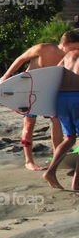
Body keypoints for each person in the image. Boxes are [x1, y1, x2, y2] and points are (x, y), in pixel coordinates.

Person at [0, 31, 79, 170]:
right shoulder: (44, 48)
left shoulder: (68, 58)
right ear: (65, 43)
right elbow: (21, 58)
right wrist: (6, 76)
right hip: (31, 90)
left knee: (56, 121)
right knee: (29, 123)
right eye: (74, 47)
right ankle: (29, 161)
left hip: (49, 91)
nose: (76, 50)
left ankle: (57, 155)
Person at [45, 48, 79, 189]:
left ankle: (51, 172)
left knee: (69, 138)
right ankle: (77, 182)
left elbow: (53, 75)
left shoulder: (69, 55)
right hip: (77, 97)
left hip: (61, 98)